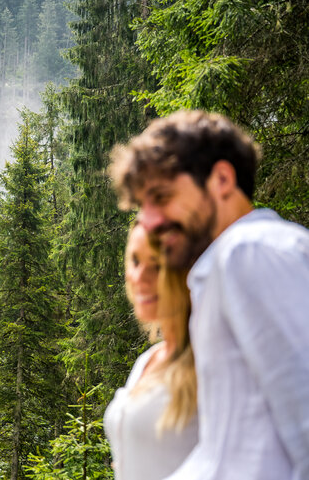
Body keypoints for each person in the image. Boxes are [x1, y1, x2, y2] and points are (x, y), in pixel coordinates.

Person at [109, 110, 309, 480]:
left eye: (161, 196)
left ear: (221, 179)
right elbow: (230, 457)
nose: (149, 221)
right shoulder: (221, 271)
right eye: (142, 206)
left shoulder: (251, 251)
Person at [104, 222, 198, 480]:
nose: (139, 277)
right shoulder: (147, 360)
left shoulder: (211, 362)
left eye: (157, 265)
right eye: (134, 261)